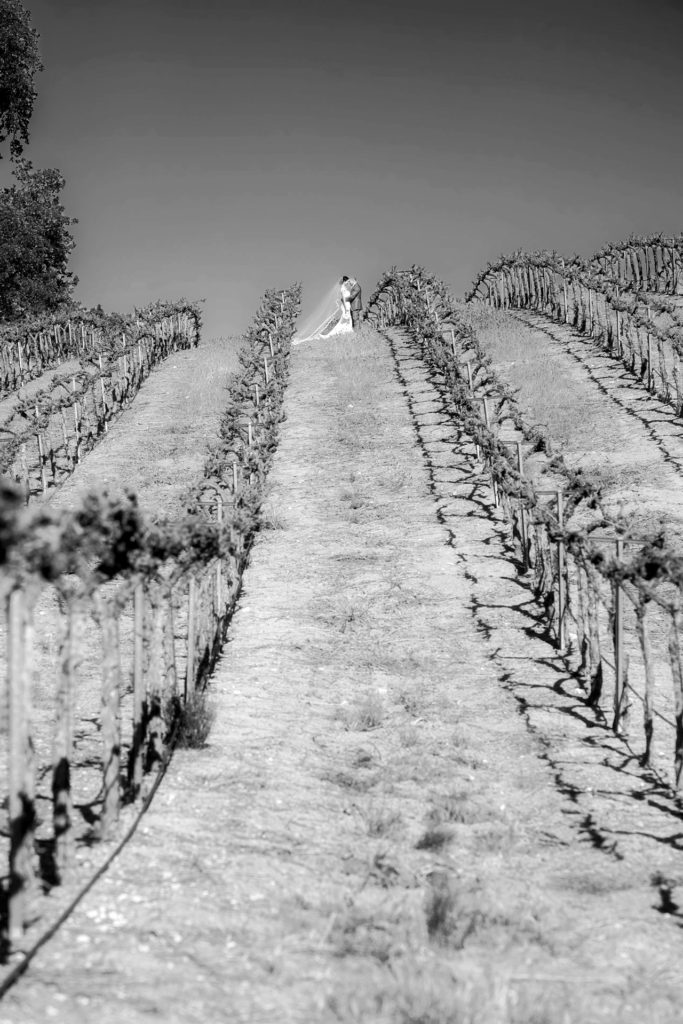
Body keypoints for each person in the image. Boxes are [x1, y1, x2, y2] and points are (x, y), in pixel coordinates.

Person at [292, 274, 361, 344]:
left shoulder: (346, 287)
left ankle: (348, 330)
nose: (349, 282)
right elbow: (344, 297)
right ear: (346, 281)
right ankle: (345, 331)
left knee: (347, 319)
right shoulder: (344, 288)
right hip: (347, 305)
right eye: (348, 281)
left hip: (348, 305)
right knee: (347, 318)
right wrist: (346, 307)